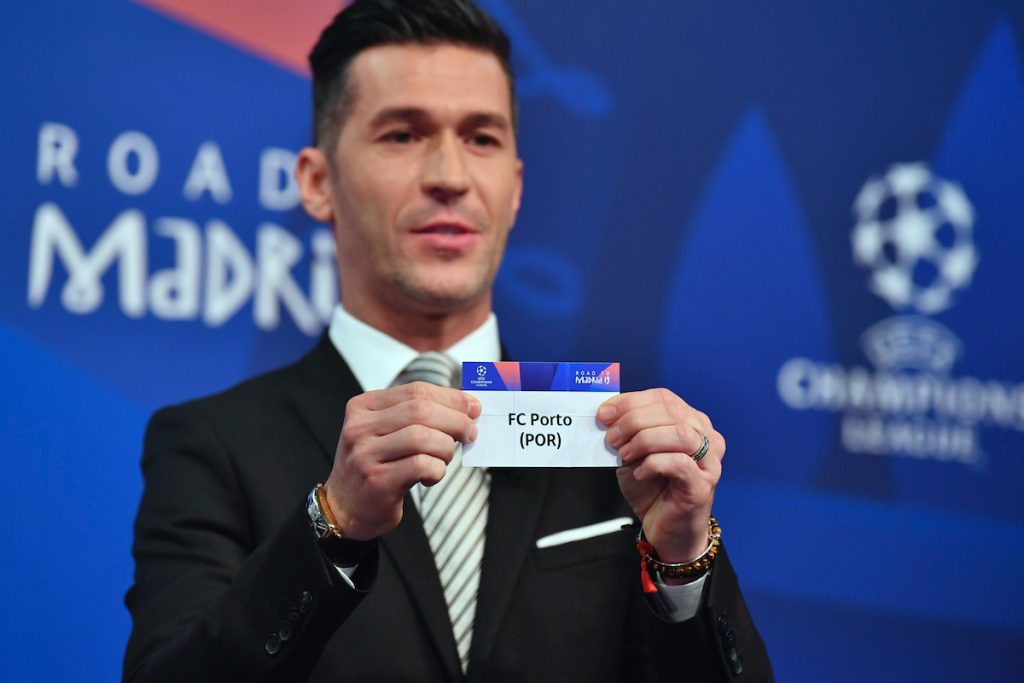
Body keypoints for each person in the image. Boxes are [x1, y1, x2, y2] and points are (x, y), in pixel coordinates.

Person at [123, 1, 772, 680]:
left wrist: (682, 559)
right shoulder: (212, 444)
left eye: (482, 138)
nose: (450, 176)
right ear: (318, 183)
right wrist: (333, 524)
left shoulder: (616, 444)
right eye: (403, 134)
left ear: (515, 188)